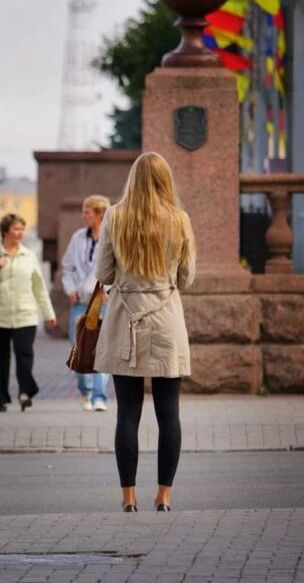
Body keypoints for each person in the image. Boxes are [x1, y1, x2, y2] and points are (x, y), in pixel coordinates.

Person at [94, 152, 195, 513]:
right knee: (170, 413)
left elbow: (104, 273)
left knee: (128, 413)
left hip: (126, 318)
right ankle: (164, 495)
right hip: (166, 316)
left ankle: (128, 496)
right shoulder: (179, 220)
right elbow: (186, 278)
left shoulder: (115, 216)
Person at [0, 213, 57, 412]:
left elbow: (39, 288)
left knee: (25, 355)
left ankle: (25, 391)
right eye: (16, 229)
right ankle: (0, 398)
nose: (20, 233)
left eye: (22, 229)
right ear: (5, 231)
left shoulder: (29, 255)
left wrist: (49, 314)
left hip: (25, 314)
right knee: (0, 358)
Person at [62, 195, 111, 412]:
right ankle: (86, 391)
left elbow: (116, 269)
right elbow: (67, 266)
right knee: (79, 347)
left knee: (103, 350)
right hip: (80, 303)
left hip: (104, 303)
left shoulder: (111, 238)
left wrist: (108, 290)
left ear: (100, 214)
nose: (83, 216)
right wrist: (70, 289)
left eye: (87, 212)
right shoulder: (77, 238)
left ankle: (100, 396)